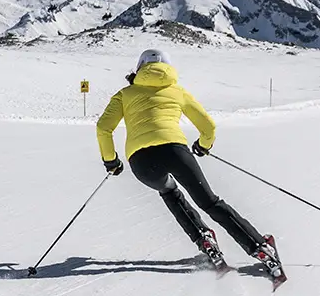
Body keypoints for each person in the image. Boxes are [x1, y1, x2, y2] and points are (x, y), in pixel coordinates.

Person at [95, 49, 281, 279]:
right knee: (209, 202)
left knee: (168, 191)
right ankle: (261, 248)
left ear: (139, 67)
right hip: (175, 151)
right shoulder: (177, 91)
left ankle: (204, 239)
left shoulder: (125, 94)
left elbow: (103, 128)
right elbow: (208, 126)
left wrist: (111, 160)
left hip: (141, 161)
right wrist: (204, 145)